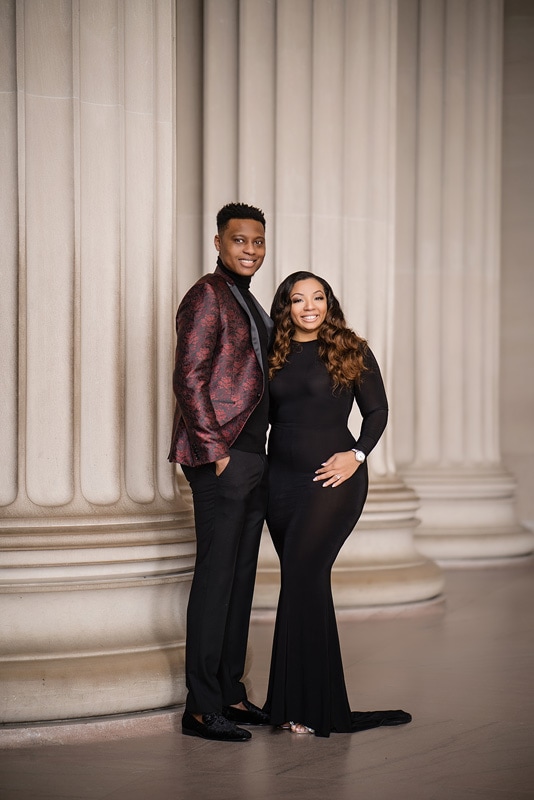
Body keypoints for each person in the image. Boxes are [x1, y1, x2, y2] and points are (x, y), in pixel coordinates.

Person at [263, 271, 412, 737]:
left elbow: (378, 410)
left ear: (329, 302)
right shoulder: (273, 352)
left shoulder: (350, 347)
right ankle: (299, 703)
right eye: (298, 299)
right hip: (279, 481)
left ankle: (305, 707)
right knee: (302, 584)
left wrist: (358, 454)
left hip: (334, 478)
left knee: (304, 576)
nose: (310, 306)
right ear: (285, 306)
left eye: (318, 297)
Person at [168, 202, 273, 742]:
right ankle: (201, 707)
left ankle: (230, 692)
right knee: (215, 580)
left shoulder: (249, 301)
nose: (250, 249)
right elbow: (188, 376)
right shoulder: (208, 294)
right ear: (218, 243)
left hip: (255, 457)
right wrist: (215, 452)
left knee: (240, 578)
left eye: (257, 241)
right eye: (239, 241)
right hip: (222, 457)